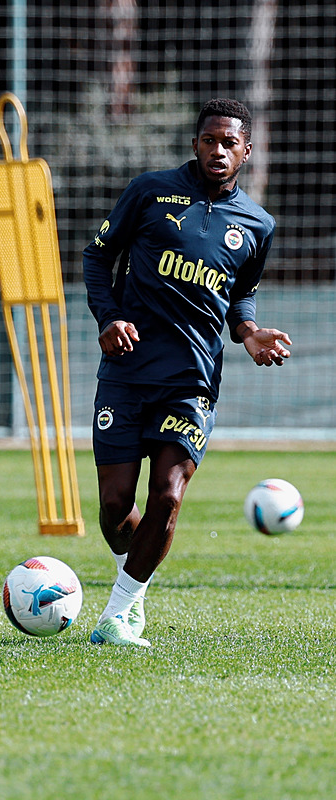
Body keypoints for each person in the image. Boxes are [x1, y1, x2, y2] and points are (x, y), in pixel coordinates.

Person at [83, 98, 292, 647]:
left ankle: (118, 612)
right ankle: (137, 577)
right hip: (126, 373)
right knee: (114, 507)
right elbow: (97, 257)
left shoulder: (258, 224)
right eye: (209, 140)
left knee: (168, 496)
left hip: (192, 381)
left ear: (247, 151)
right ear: (195, 144)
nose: (218, 150)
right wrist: (109, 317)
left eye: (229, 143)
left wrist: (249, 334)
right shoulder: (150, 191)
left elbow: (240, 294)